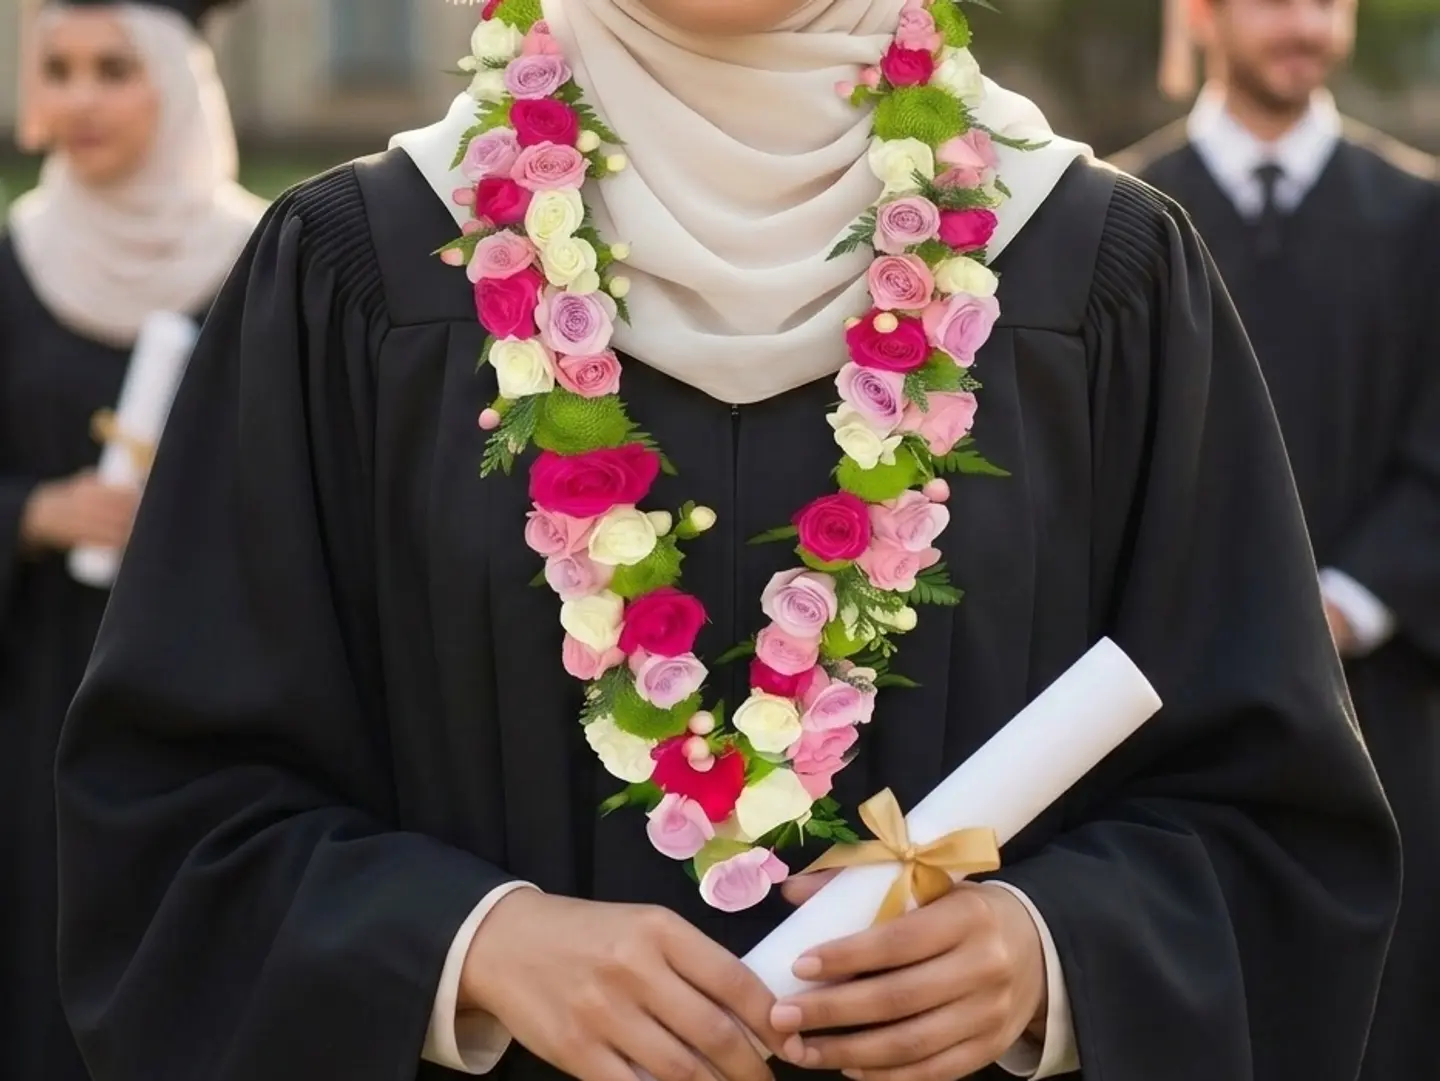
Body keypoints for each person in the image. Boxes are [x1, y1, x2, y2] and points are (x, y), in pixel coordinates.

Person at [56, 2, 1398, 1080]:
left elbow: (1272, 825)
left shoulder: (1100, 272)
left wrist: (1053, 957)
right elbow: (177, 817)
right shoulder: (365, 269)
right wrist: (467, 951)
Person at [1114, 3, 1440, 1076]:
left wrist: (1345, 601)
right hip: (1155, 712)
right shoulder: (1117, 227)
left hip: (1379, 708)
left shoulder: (1421, 218)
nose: (1305, 21)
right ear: (1197, 14)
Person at [0, 2, 263, 1079]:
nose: (80, 98)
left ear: (179, 80)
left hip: (217, 697)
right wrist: (30, 511)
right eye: (57, 69)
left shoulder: (269, 263)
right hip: (36, 696)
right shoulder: (11, 269)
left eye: (114, 67)